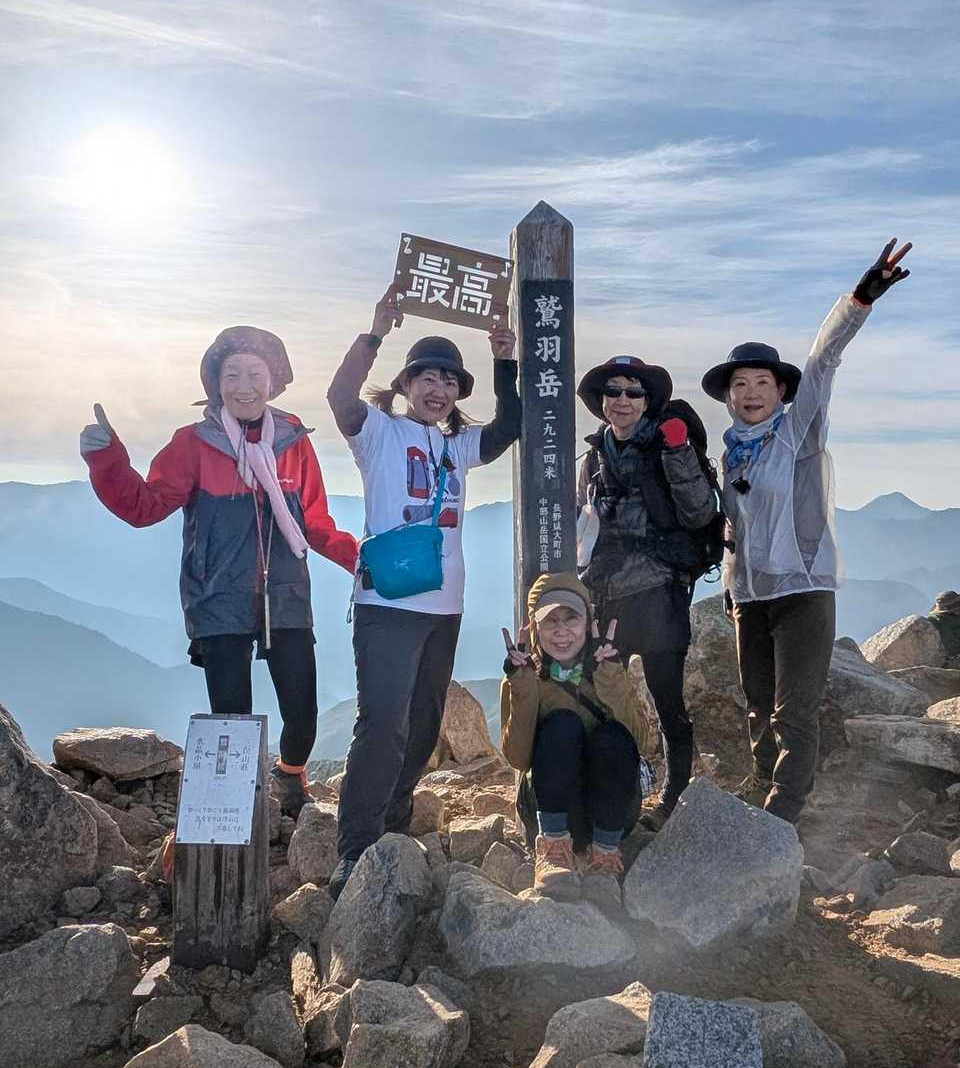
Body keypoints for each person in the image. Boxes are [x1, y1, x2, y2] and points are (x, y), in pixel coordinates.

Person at [79, 326, 358, 816]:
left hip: (286, 594)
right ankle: (233, 809)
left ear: (273, 381)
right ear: (216, 383)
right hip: (217, 598)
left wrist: (363, 561)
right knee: (232, 719)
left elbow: (314, 523)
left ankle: (290, 774)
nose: (244, 386)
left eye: (255, 374)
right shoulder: (193, 444)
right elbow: (144, 506)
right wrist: (107, 460)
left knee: (303, 713)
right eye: (232, 375)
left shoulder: (293, 441)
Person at [702, 239, 913, 826]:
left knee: (793, 711)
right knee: (756, 705)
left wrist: (859, 301)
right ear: (728, 396)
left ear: (781, 391)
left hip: (803, 591)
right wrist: (730, 585)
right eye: (740, 384)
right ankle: (760, 786)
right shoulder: (731, 454)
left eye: (761, 383)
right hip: (749, 596)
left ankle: (783, 812)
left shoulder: (799, 433)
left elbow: (823, 361)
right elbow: (737, 526)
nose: (750, 393)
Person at [326, 287, 521, 898]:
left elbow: (510, 426)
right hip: (386, 605)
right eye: (428, 378)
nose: (439, 389)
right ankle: (354, 848)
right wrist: (375, 332)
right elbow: (339, 398)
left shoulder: (457, 446)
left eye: (450, 381)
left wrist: (504, 359)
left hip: (444, 606)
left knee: (423, 722)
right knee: (382, 724)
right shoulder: (378, 433)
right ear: (406, 385)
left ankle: (393, 822)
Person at [576, 355, 718, 821]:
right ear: (601, 401)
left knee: (667, 700)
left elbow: (700, 512)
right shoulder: (595, 456)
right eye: (613, 391)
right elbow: (583, 521)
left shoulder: (668, 444)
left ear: (647, 400)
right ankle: (618, 794)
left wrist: (677, 452)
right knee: (604, 696)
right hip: (608, 593)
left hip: (660, 592)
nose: (622, 400)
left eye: (633, 392)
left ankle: (674, 796)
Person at [500, 571, 650, 907]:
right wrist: (522, 686)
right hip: (549, 811)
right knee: (561, 726)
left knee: (612, 736)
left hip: (610, 814)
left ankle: (604, 859)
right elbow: (519, 759)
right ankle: (553, 852)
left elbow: (640, 744)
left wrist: (611, 676)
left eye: (571, 618)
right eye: (550, 621)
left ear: (587, 623)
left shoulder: (607, 669)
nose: (561, 630)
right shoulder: (524, 677)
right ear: (534, 628)